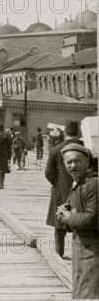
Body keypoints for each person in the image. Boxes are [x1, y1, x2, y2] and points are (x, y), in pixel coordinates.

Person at [57, 143, 98, 299]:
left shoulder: (93, 184)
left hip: (93, 249)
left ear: (87, 162)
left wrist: (69, 217)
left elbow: (92, 218)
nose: (73, 166)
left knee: (90, 293)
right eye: (69, 162)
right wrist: (66, 212)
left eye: (77, 161)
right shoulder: (78, 184)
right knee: (81, 291)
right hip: (80, 247)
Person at [45, 121, 84, 258]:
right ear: (78, 133)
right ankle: (81, 256)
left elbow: (48, 173)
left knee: (59, 227)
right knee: (82, 224)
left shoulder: (56, 150)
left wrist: (59, 184)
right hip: (82, 193)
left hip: (61, 192)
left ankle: (59, 255)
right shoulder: (86, 150)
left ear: (65, 133)